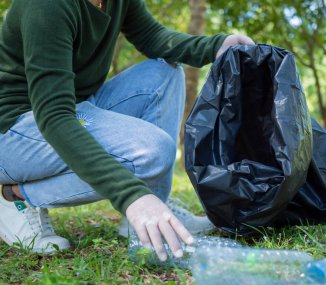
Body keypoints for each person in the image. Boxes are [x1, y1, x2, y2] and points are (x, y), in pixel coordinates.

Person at [0, 0, 254, 261]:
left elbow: (153, 37)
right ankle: (15, 196)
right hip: (14, 129)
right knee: (152, 151)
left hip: (77, 106)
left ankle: (151, 215)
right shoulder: (47, 6)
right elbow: (54, 115)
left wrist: (216, 47)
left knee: (164, 71)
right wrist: (132, 195)